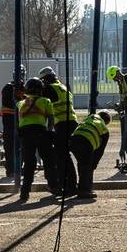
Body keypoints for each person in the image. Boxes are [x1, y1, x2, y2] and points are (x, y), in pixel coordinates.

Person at [39, 66, 77, 196]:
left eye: (43, 80)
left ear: (46, 79)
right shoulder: (63, 87)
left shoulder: (50, 89)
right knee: (64, 155)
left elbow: (38, 98)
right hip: (71, 122)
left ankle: (70, 187)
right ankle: (69, 185)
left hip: (62, 123)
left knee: (63, 156)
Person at [16, 77, 53, 204]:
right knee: (48, 159)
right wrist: (50, 131)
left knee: (29, 162)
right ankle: (53, 186)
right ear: (40, 90)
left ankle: (24, 192)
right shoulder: (45, 101)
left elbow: (19, 120)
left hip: (25, 133)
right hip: (40, 131)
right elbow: (51, 119)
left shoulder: (21, 103)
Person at [69, 111, 111, 199]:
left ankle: (81, 188)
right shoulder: (104, 129)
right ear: (106, 122)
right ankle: (84, 190)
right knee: (87, 166)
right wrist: (95, 163)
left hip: (73, 140)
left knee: (82, 164)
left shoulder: (89, 119)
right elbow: (100, 150)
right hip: (86, 142)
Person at [0, 81, 19, 179]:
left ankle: (12, 170)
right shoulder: (11, 87)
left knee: (10, 147)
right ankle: (13, 170)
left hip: (9, 121)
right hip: (13, 121)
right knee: (13, 147)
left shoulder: (7, 87)